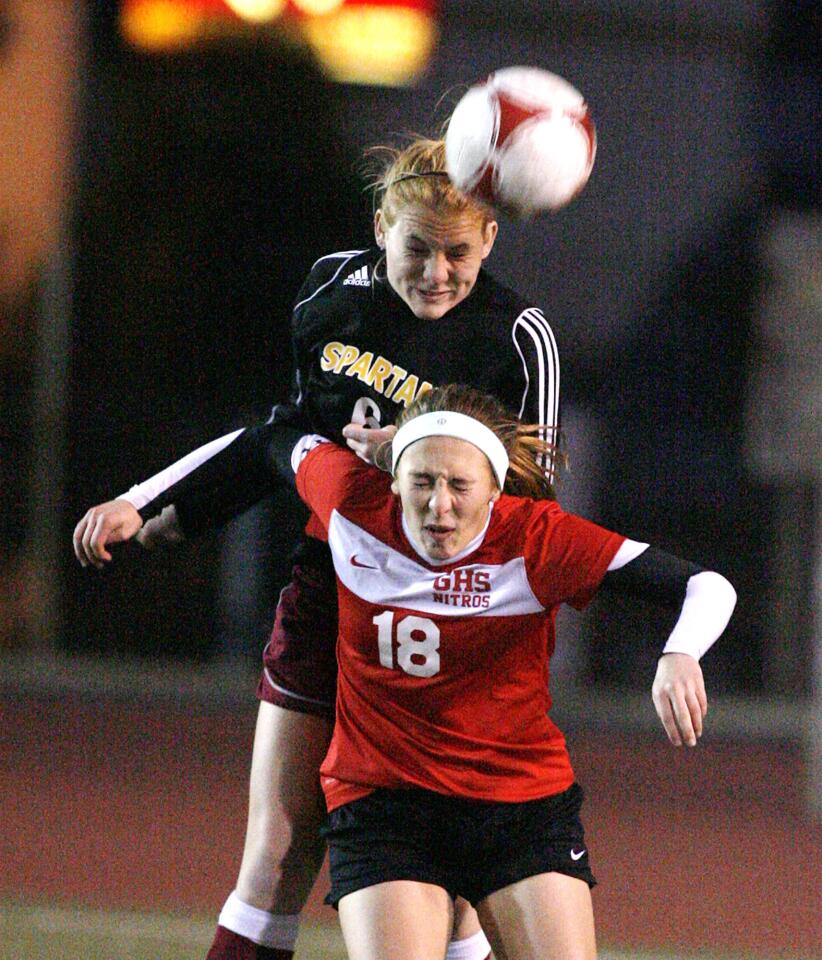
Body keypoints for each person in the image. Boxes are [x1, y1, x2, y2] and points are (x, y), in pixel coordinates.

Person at [72, 138, 561, 960]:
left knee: (458, 894)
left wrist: (412, 453)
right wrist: (153, 504)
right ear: (380, 229)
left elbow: (537, 519)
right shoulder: (330, 294)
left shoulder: (516, 337)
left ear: (491, 242)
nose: (437, 273)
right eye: (416, 249)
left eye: (458, 254)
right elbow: (283, 436)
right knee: (276, 849)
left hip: (451, 628)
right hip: (331, 595)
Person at [242, 382, 737, 960]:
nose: (439, 504)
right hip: (386, 805)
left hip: (518, 808)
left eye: (459, 485)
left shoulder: (536, 539)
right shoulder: (349, 495)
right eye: (422, 481)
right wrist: (143, 505)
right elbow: (273, 440)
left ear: (496, 488)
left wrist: (679, 654)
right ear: (394, 476)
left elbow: (706, 586)